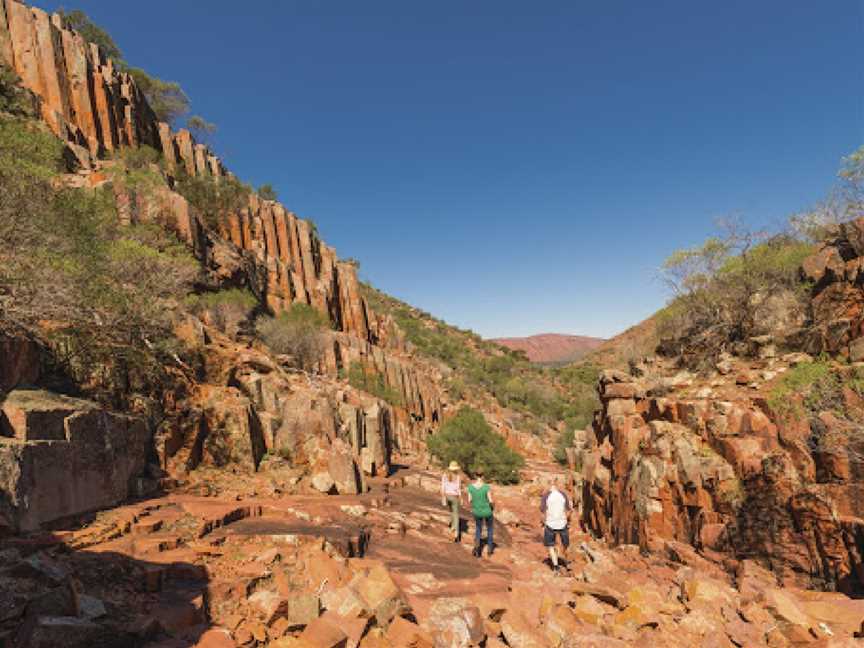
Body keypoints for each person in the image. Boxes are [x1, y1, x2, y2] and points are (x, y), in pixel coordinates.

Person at [540, 477, 571, 574]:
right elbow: (568, 510)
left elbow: (543, 511)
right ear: (557, 485)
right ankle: (566, 561)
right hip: (562, 523)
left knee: (550, 545)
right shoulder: (563, 495)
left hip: (550, 523)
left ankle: (556, 566)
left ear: (549, 485)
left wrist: (543, 522)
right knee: (565, 544)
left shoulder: (546, 496)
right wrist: (567, 520)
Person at [467, 470, 494, 557]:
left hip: (477, 511)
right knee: (490, 529)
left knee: (478, 529)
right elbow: (490, 500)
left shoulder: (470, 487)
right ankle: (489, 549)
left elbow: (469, 500)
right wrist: (492, 507)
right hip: (487, 511)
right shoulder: (486, 487)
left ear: (475, 475)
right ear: (482, 476)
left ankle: (477, 548)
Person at [441, 461, 464, 542]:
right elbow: (458, 489)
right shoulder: (457, 476)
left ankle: (452, 527)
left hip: (447, 496)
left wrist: (443, 498)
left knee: (451, 512)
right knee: (456, 515)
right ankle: (456, 534)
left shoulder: (444, 475)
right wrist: (461, 499)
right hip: (454, 497)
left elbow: (443, 487)